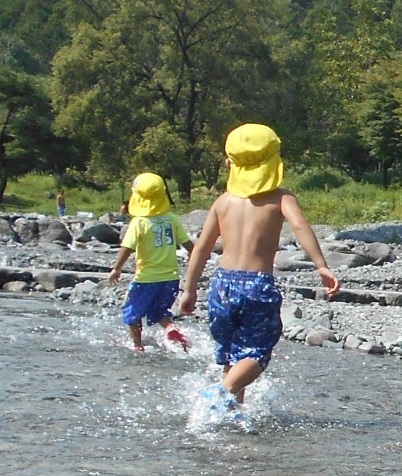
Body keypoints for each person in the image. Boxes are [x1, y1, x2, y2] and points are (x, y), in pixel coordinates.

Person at [176, 123, 340, 412]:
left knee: (231, 355)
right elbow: (300, 226)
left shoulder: (223, 201)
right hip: (256, 285)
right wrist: (322, 266)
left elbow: (201, 248)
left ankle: (230, 413)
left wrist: (188, 289)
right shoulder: (280, 197)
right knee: (258, 352)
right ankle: (221, 394)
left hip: (221, 284)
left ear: (230, 164)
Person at [106, 172, 192, 352]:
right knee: (159, 311)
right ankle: (170, 328)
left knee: (132, 313)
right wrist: (196, 258)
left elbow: (127, 247)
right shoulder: (172, 219)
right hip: (171, 277)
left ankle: (137, 346)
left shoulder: (139, 222)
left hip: (146, 278)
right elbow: (189, 245)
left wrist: (117, 268)